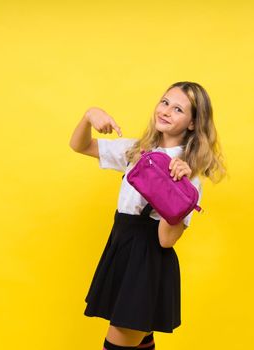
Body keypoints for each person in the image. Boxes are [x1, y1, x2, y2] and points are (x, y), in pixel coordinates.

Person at [69, 81, 226, 349]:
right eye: (165, 102)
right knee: (139, 342)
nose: (166, 111)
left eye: (178, 109)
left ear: (192, 123)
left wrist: (176, 189)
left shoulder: (188, 177)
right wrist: (89, 115)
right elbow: (80, 145)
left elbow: (166, 240)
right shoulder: (136, 151)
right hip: (122, 249)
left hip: (146, 261)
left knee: (119, 343)